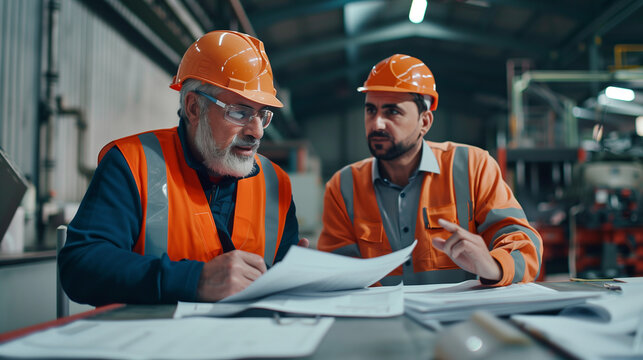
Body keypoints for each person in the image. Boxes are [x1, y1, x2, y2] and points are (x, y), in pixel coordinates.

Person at [59, 30, 308, 305]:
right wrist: (194, 280)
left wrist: (297, 274)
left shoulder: (275, 183)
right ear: (193, 108)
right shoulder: (132, 164)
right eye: (239, 112)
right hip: (148, 342)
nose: (257, 131)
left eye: (262, 114)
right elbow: (80, 266)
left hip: (250, 343)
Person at [318, 54, 542, 286]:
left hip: (461, 317)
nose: (377, 124)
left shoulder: (473, 167)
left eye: (392, 112)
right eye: (370, 110)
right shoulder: (343, 186)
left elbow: (523, 243)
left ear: (424, 122)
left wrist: (494, 266)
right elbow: (337, 271)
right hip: (379, 319)